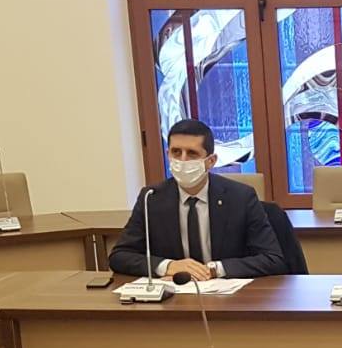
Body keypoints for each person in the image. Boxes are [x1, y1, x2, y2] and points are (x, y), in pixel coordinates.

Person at [109, 118, 286, 279]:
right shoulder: (151, 198)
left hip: (227, 296)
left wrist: (214, 269)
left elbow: (272, 259)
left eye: (192, 153)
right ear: (168, 154)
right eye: (176, 152)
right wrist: (168, 266)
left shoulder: (241, 197)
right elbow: (119, 256)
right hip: (174, 294)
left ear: (211, 161)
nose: (183, 160)